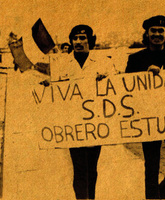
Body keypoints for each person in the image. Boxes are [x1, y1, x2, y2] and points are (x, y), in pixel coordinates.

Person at [125, 15, 165, 199]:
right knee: (151, 166)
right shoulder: (135, 59)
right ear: (147, 34)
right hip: (148, 119)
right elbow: (127, 89)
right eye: (153, 31)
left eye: (161, 31)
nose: (157, 34)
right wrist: (145, 76)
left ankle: (163, 194)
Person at [57, 24, 116, 200]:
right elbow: (54, 90)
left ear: (91, 40)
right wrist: (48, 86)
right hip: (73, 124)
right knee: (79, 168)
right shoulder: (62, 64)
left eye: (83, 38)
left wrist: (106, 79)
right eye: (75, 38)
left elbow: (116, 86)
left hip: (94, 124)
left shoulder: (104, 62)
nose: (78, 42)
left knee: (91, 168)